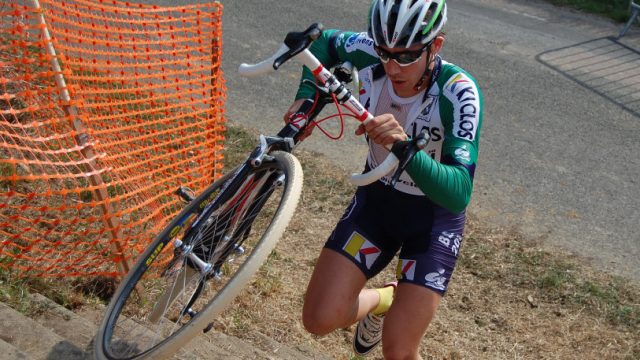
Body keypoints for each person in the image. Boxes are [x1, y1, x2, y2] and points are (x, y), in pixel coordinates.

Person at [285, 0, 483, 358]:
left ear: (435, 46)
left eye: (406, 56)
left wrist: (405, 148)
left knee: (398, 351)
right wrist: (305, 99)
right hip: (377, 205)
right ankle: (383, 299)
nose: (392, 66)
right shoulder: (372, 54)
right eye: (384, 51)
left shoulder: (460, 91)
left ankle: (395, 308)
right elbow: (322, 45)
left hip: (432, 222)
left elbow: (458, 192)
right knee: (318, 319)